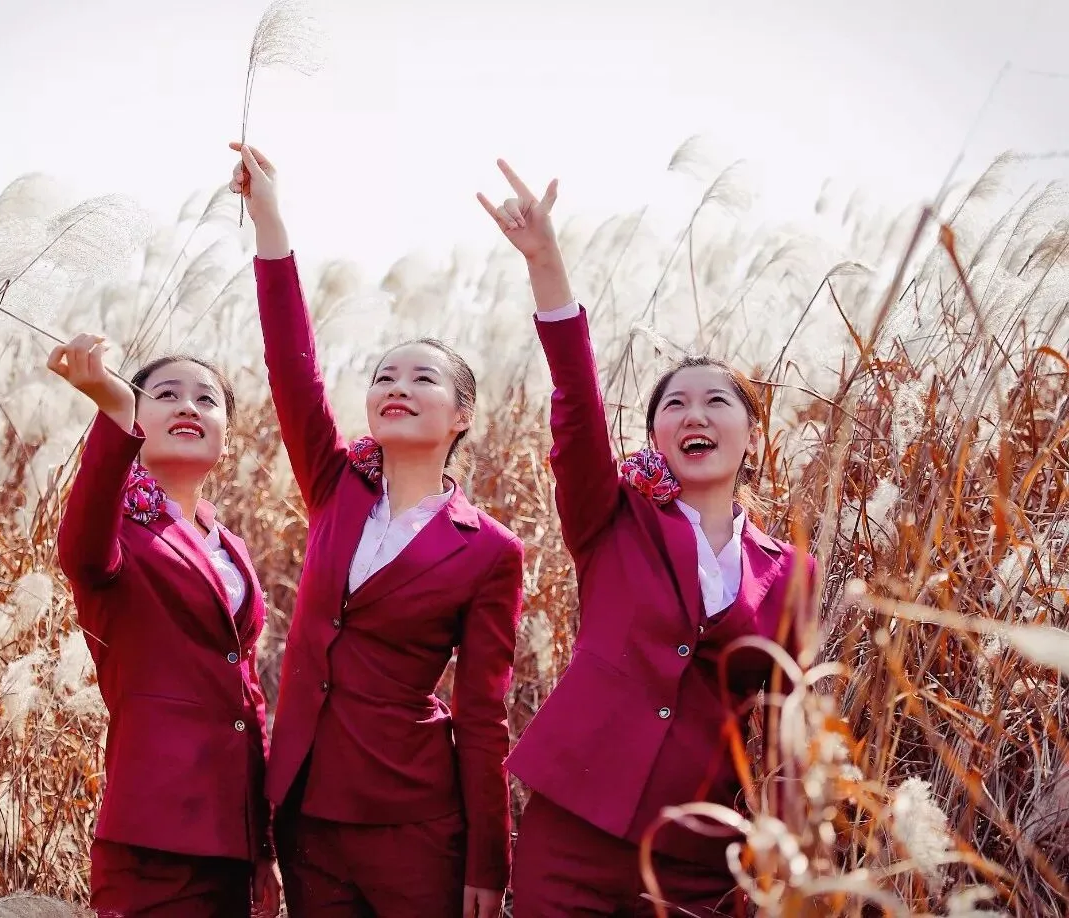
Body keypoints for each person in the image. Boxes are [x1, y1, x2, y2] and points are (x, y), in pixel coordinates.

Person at [477, 161, 816, 917]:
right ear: (656, 435)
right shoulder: (611, 516)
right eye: (675, 404)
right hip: (571, 835)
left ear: (752, 436)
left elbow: (789, 728)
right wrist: (545, 261)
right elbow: (576, 402)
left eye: (717, 401)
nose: (695, 414)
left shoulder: (792, 570)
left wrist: (784, 859)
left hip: (696, 861)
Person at [230, 142, 524, 918]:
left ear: (461, 416)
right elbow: (293, 369)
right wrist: (270, 222)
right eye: (384, 376)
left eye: (422, 378)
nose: (397, 386)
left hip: (414, 820)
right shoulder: (335, 488)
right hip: (305, 811)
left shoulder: (490, 552)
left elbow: (484, 714)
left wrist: (489, 863)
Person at [50, 336, 281, 918]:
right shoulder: (116, 528)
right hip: (153, 832)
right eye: (167, 394)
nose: (188, 406)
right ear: (136, 418)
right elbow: (82, 555)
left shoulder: (231, 547)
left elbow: (248, 693)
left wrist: (263, 843)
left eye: (207, 399)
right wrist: (111, 413)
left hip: (230, 837)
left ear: (227, 438)